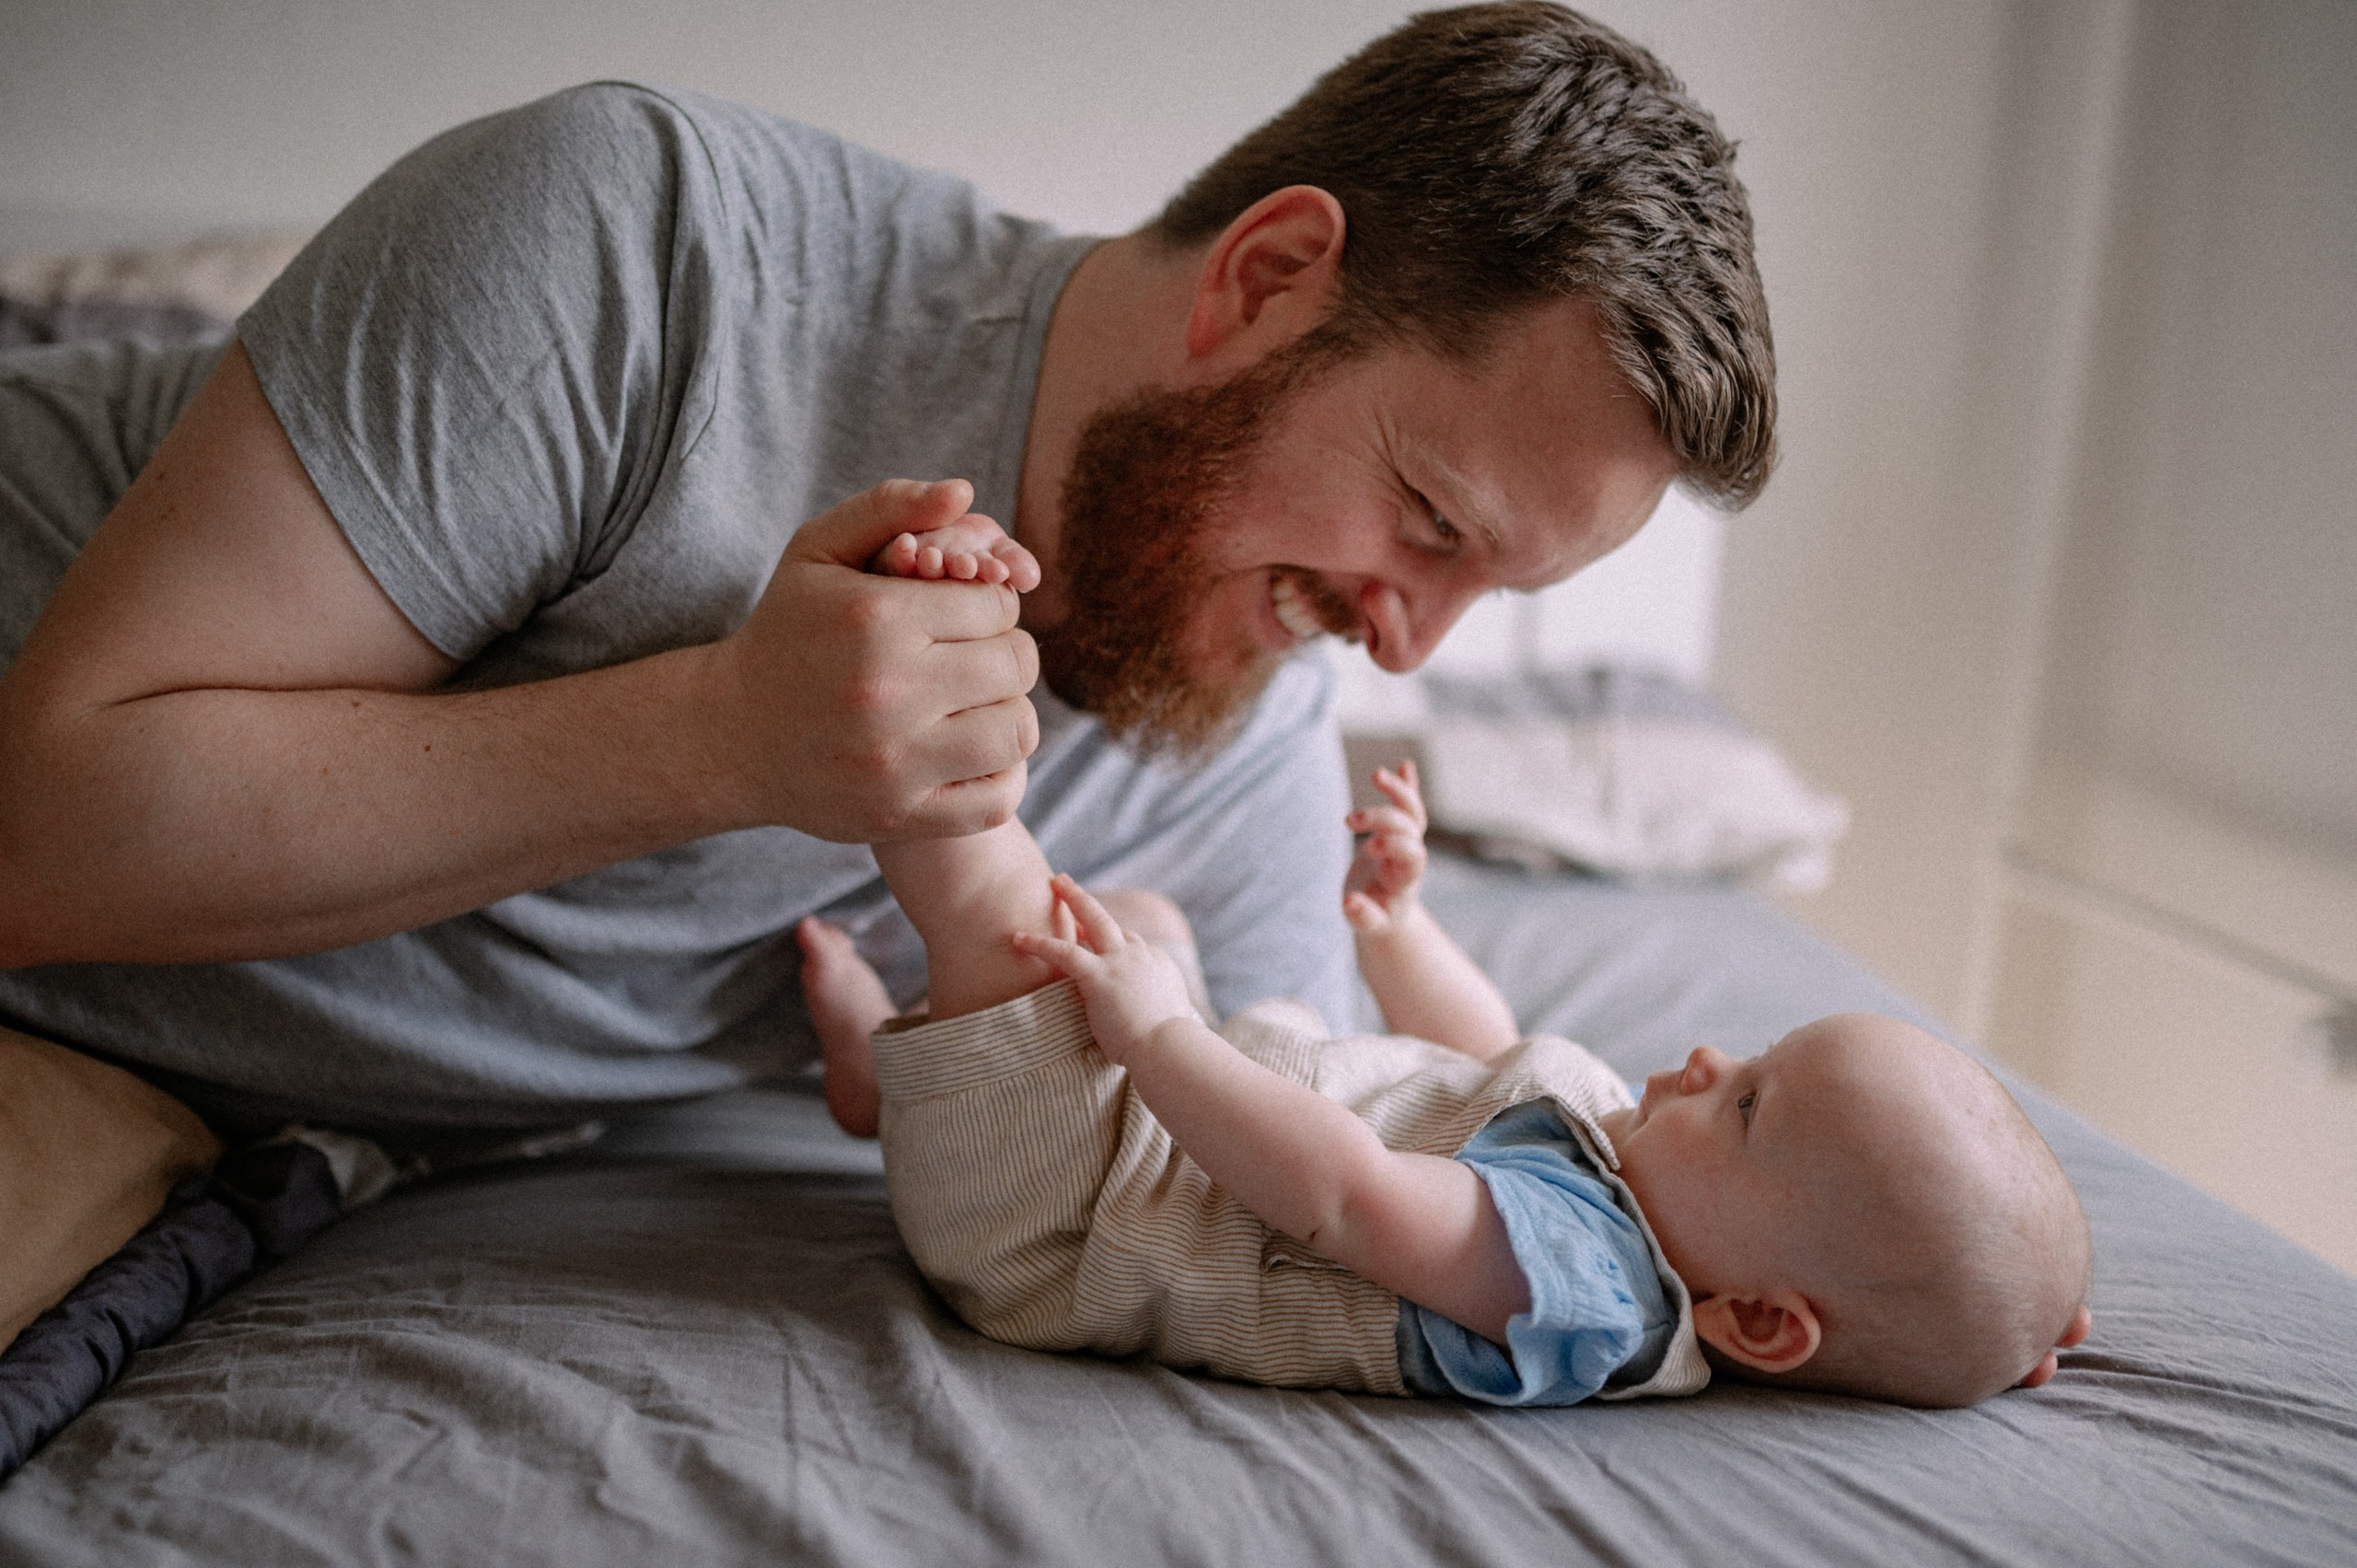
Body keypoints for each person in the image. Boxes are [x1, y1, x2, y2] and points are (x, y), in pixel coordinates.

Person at [0, 4, 1772, 1147]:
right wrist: (716, 738)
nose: (1406, 639)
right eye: (1430, 522)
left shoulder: (1242, 753)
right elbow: (43, 828)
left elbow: (1299, 1169)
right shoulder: (647, 247)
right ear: (1267, 277)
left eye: (1487, 597)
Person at [802, 529, 2092, 1403]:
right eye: (1755, 1054)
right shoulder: (1640, 1176)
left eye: (1748, 1104)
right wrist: (1399, 927)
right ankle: (884, 1079)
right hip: (1155, 1136)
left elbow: (1349, 1196)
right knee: (1145, 922)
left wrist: (1155, 1038)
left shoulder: (1586, 1282)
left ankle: (914, 656)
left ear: (1757, 1320)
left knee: (1004, 897)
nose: (1710, 1059)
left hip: (1064, 1218)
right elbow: (1498, 1055)